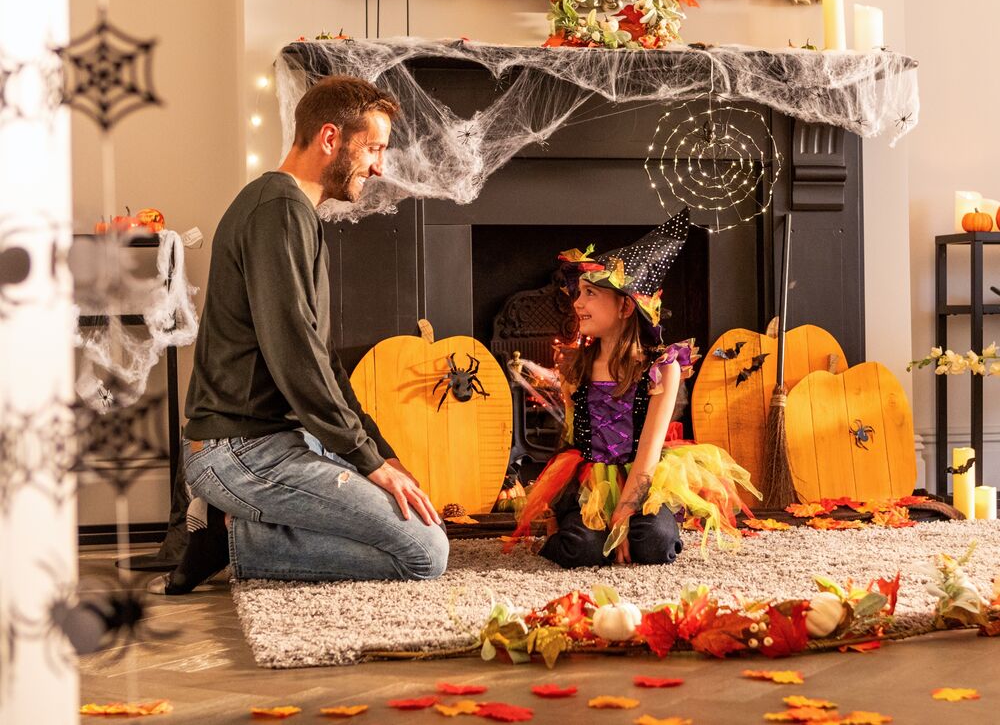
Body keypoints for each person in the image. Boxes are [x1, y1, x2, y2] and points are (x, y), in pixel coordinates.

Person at [152, 75, 448, 594]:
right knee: (425, 552)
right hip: (237, 451)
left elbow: (321, 358)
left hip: (280, 437)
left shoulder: (294, 212)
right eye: (374, 148)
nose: (380, 166)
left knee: (417, 514)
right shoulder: (279, 211)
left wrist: (379, 451)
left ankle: (239, 523)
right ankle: (230, 534)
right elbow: (295, 358)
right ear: (330, 138)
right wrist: (368, 464)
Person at [510, 208, 760, 568]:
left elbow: (647, 455)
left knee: (653, 543)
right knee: (581, 549)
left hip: (644, 477)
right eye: (578, 293)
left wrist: (623, 516)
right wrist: (552, 513)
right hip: (588, 479)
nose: (577, 303)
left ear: (626, 306)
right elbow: (569, 440)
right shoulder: (575, 367)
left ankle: (633, 529)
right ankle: (583, 535)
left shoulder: (663, 368)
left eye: (590, 293)